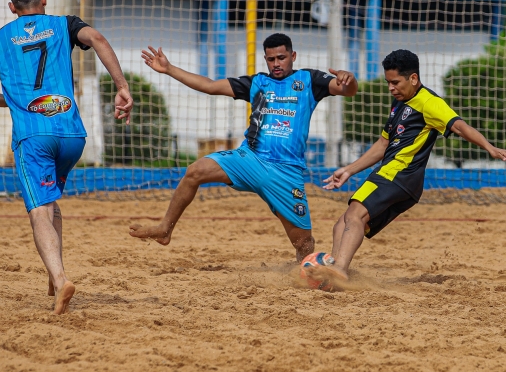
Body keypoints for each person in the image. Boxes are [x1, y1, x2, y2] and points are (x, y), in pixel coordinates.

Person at [0, 0, 134, 315]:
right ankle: (53, 273)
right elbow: (98, 38)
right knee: (49, 200)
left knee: (38, 210)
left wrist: (17, 102)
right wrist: (122, 86)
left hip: (34, 136)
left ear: (12, 7)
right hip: (72, 136)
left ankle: (61, 281)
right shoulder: (64, 24)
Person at [129, 33, 358, 260]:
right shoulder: (258, 83)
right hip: (249, 159)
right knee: (195, 171)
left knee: (304, 243)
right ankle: (165, 228)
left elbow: (347, 90)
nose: (276, 64)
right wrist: (169, 69)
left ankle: (305, 271)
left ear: (293, 56)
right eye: (271, 59)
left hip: (285, 172)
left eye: (281, 58)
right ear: (265, 59)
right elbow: (210, 86)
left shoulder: (309, 80)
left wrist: (349, 79)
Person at [311, 49, 506, 284]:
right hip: (401, 180)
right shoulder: (400, 101)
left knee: (354, 215)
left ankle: (339, 270)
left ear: (413, 78)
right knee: (343, 223)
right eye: (388, 82)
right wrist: (349, 170)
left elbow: (460, 126)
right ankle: (333, 276)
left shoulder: (429, 102)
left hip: (398, 174)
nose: (391, 88)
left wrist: (489, 147)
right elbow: (383, 144)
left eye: (395, 82)